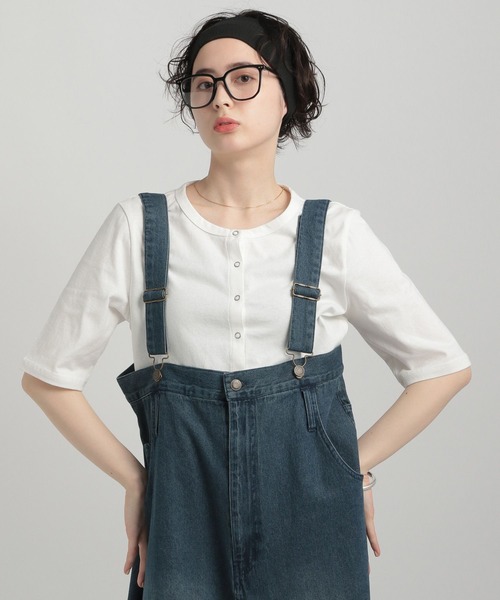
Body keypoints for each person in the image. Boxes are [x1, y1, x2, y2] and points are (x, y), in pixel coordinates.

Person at [21, 9, 471, 600]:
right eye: (203, 83)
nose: (220, 99)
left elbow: (441, 368)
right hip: (180, 518)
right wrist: (136, 481)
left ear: (288, 96)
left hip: (313, 519)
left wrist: (349, 468)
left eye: (243, 78)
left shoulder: (335, 234)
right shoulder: (139, 227)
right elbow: (49, 377)